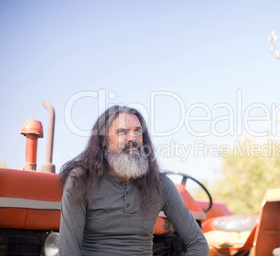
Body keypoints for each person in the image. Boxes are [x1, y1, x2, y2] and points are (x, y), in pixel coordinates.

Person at [59, 105, 209, 255]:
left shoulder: (161, 185)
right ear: (104, 140)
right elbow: (68, 251)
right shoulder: (80, 181)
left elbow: (199, 243)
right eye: (122, 132)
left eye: (137, 131)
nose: (133, 138)